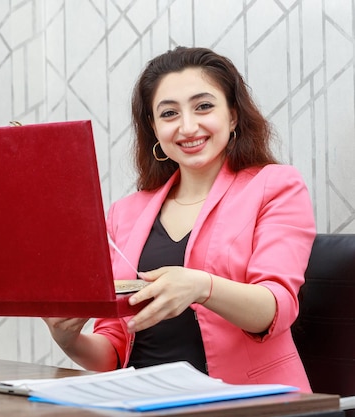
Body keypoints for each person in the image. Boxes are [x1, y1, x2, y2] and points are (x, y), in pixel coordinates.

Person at [42, 46, 316, 392]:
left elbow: (276, 307)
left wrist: (202, 287)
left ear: (233, 116)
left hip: (248, 403)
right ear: (154, 128)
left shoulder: (275, 185)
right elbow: (113, 351)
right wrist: (67, 338)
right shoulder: (125, 213)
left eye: (204, 106)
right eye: (169, 114)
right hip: (145, 401)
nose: (188, 127)